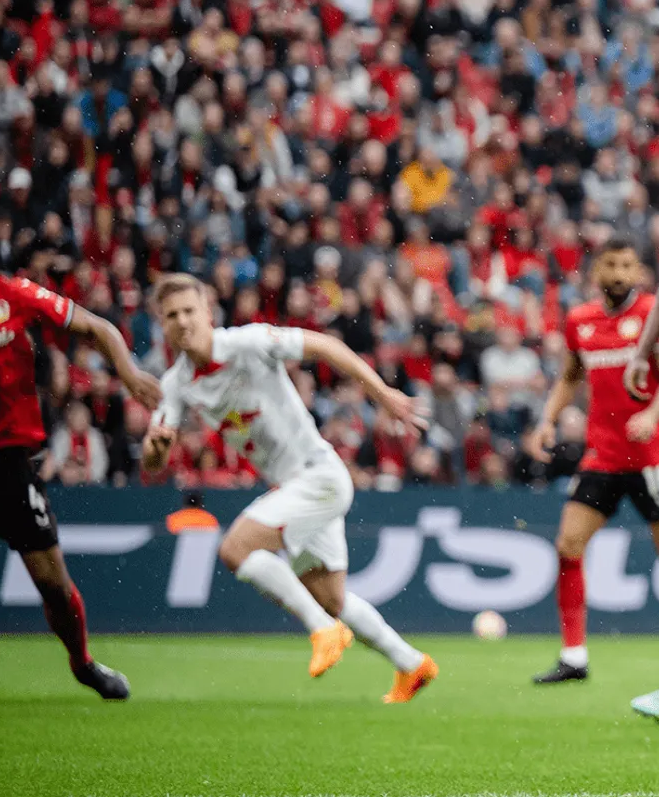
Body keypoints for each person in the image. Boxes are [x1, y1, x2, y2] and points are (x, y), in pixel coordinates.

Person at [140, 275, 439, 704]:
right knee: (332, 597)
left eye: (190, 311)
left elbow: (325, 347)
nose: (183, 321)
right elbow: (153, 461)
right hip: (294, 489)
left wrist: (381, 394)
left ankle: (322, 629)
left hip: (319, 476)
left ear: (208, 313)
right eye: (172, 315)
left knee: (235, 550)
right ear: (162, 326)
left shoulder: (248, 343)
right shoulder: (174, 385)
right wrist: (155, 450)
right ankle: (411, 663)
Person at [0, 212, 161, 701]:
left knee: (52, 581)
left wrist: (130, 375)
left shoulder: (15, 295)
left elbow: (96, 327)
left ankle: (83, 662)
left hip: (4, 462)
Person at [522, 234, 659, 686]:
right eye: (610, 266)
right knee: (568, 544)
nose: (618, 274)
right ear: (595, 271)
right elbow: (569, 377)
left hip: (652, 454)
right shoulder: (580, 319)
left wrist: (654, 414)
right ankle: (574, 656)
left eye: (626, 266)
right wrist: (548, 420)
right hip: (602, 455)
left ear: (639, 272)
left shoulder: (653, 317)